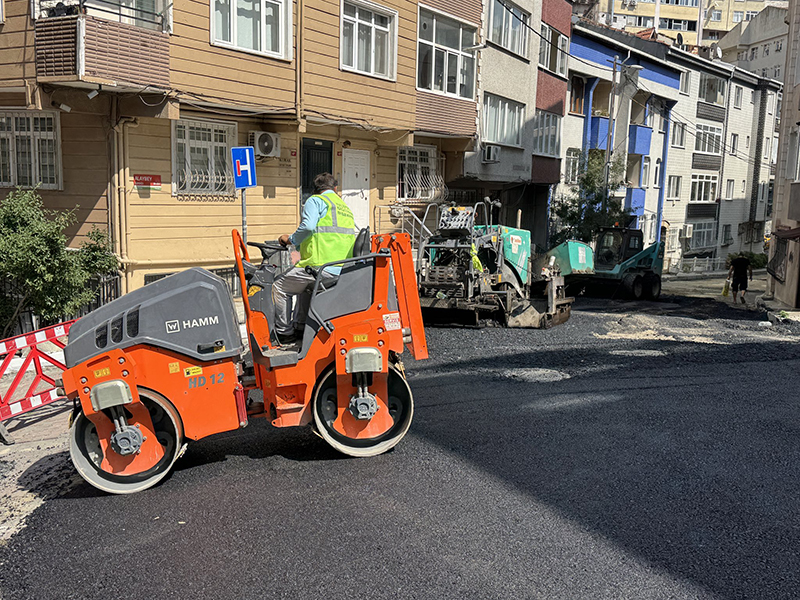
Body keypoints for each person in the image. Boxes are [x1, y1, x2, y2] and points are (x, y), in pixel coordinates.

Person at [273, 173, 357, 345]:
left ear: (316, 190)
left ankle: (284, 333)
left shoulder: (315, 201)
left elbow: (309, 226)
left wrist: (290, 240)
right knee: (304, 287)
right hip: (341, 269)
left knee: (279, 286)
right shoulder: (345, 208)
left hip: (320, 266)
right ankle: (301, 327)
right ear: (335, 189)